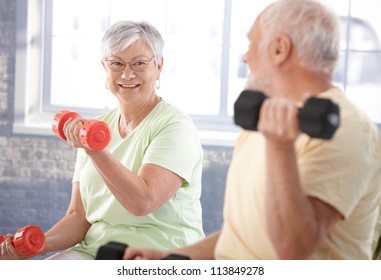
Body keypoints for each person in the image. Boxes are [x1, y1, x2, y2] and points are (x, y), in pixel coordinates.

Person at [122, 0, 381, 260]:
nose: (246, 57)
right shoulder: (264, 122)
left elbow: (293, 250)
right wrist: (170, 258)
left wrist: (280, 147)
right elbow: (240, 239)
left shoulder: (347, 129)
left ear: (280, 49)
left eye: (251, 43)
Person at [0, 20, 205, 260]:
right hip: (96, 251)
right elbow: (78, 217)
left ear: (158, 67)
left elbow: (142, 202)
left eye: (139, 63)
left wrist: (95, 151)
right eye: (117, 63)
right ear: (104, 67)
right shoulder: (95, 128)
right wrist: (37, 246)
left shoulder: (175, 126)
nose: (127, 74)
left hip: (160, 254)